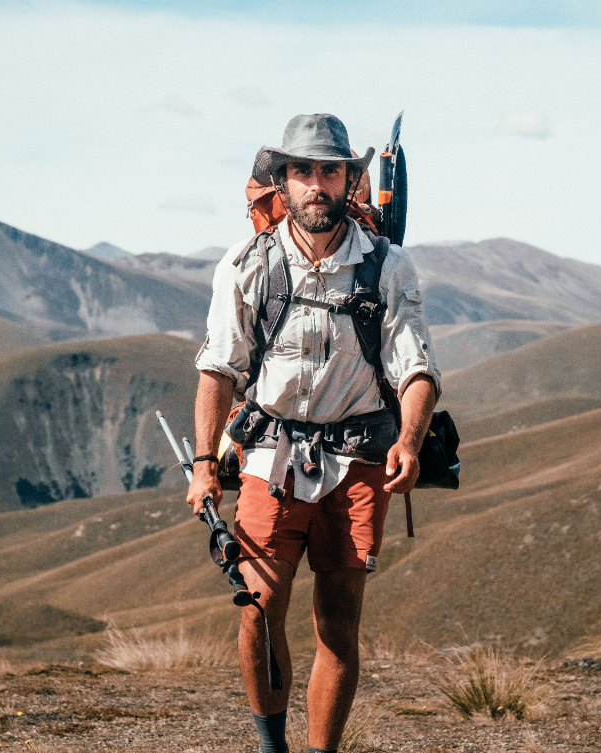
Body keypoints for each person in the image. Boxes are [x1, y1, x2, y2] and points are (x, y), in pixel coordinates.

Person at [188, 113, 440, 753]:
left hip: (359, 461)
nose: (317, 184)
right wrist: (203, 464)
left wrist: (409, 442)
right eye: (303, 171)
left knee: (338, 625)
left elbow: (416, 368)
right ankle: (273, 748)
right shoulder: (247, 264)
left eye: (330, 171)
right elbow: (218, 368)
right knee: (258, 609)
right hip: (269, 456)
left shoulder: (388, 266)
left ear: (349, 180)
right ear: (284, 182)